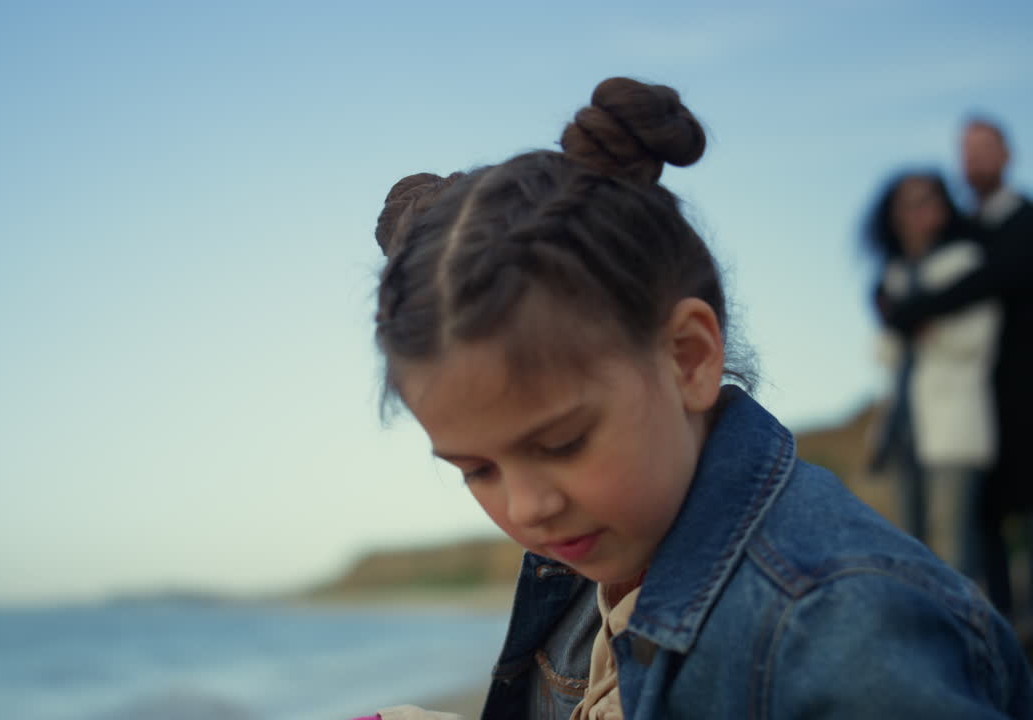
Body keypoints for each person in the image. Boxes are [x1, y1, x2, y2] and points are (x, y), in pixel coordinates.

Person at [352, 78, 1032, 720]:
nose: (527, 508)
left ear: (689, 358)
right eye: (477, 470)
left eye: (561, 443)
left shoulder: (844, 635)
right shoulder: (605, 547)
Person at [888, 118, 1033, 619]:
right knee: (981, 525)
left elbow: (994, 278)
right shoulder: (963, 234)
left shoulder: (1021, 224)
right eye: (966, 152)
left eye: (984, 149)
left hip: (1019, 395)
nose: (974, 161)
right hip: (973, 401)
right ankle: (1007, 630)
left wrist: (914, 309)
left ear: (1007, 154)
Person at [865, 171, 999, 581]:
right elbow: (883, 351)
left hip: (955, 425)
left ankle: (968, 643)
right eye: (908, 204)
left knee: (954, 546)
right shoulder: (895, 275)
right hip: (906, 425)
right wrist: (918, 320)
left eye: (928, 200)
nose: (919, 213)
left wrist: (913, 320)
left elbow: (974, 339)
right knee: (912, 544)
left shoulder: (964, 261)